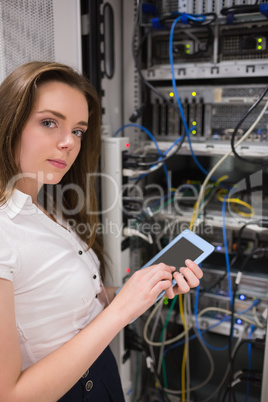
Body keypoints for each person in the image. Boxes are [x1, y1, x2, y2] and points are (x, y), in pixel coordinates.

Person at [0, 61, 203, 402]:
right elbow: (10, 395)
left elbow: (71, 307)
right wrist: (122, 310)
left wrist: (142, 290)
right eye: (49, 122)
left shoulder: (46, 207)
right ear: (8, 122)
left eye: (78, 131)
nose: (69, 142)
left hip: (99, 376)